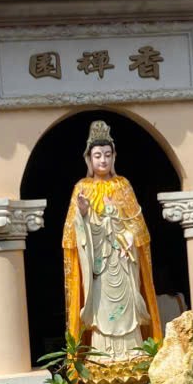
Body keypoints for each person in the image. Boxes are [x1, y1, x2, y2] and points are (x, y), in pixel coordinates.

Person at [62, 120, 162, 358]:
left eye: (107, 155)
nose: (103, 160)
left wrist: (120, 222)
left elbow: (137, 226)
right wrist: (83, 214)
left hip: (122, 259)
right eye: (97, 156)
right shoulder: (82, 187)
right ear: (89, 159)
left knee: (127, 306)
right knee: (101, 309)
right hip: (98, 265)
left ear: (114, 157)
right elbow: (72, 236)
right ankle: (102, 354)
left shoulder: (122, 185)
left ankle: (133, 352)